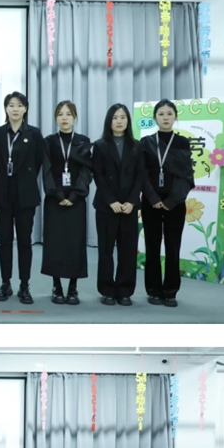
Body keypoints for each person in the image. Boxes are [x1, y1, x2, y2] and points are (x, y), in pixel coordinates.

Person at [0, 92, 45, 305]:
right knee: (4, 241)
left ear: (26, 109)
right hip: (2, 193)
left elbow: (38, 161)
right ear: (5, 108)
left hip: (25, 194)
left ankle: (24, 285)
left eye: (19, 105)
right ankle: (5, 283)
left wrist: (25, 178)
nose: (15, 109)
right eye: (11, 105)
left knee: (24, 241)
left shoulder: (34, 134)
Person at [141, 99, 195, 307]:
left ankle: (171, 291)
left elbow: (186, 175)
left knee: (173, 247)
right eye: (161, 114)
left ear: (175, 117)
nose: (165, 117)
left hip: (175, 203)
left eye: (169, 114)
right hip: (151, 202)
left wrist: (172, 200)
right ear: (155, 117)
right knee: (152, 246)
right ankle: (153, 290)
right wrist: (153, 198)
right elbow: (142, 173)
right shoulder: (146, 142)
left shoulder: (182, 142)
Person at [92, 104, 145, 306]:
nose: (119, 121)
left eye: (123, 117)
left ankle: (124, 291)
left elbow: (140, 175)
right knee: (105, 250)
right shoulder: (100, 145)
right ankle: (107, 290)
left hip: (129, 206)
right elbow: (98, 175)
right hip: (107, 206)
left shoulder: (137, 146)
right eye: (115, 117)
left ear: (128, 121)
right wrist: (111, 201)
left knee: (128, 250)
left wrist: (131, 201)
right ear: (109, 121)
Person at [42, 101, 93, 305]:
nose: (64, 118)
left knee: (75, 243)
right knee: (54, 243)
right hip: (54, 199)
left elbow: (86, 171)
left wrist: (74, 195)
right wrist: (57, 194)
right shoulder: (49, 141)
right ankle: (57, 286)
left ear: (75, 117)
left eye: (68, 114)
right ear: (56, 118)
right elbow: (46, 170)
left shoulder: (83, 141)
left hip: (76, 200)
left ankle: (73, 287)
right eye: (60, 114)